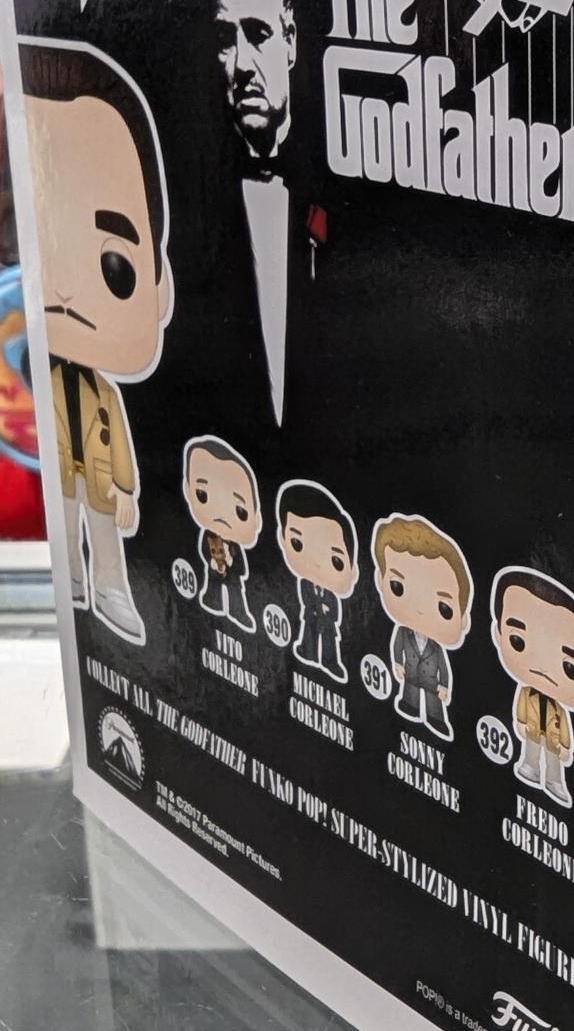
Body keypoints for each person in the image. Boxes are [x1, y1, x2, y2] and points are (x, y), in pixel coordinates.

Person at [20, 37, 173, 648]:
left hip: (104, 479)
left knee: (106, 535)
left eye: (116, 268)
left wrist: (129, 489)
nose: (63, 289)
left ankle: (109, 587)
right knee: (64, 531)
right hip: (60, 473)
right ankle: (76, 584)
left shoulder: (105, 392)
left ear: (159, 286)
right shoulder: (43, 372)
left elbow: (123, 443)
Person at [213, 0, 297, 428]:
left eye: (258, 34)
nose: (243, 63)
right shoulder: (197, 220)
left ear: (290, 40)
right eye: (227, 39)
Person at [490, 567, 574, 811]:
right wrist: (520, 722)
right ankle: (530, 768)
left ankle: (554, 781)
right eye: (518, 641)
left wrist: (566, 746)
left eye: (570, 668)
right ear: (498, 634)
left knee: (553, 760)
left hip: (553, 738)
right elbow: (521, 709)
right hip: (531, 731)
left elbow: (565, 727)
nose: (541, 667)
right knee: (531, 751)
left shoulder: (558, 708)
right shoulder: (526, 693)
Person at [370, 514, 472, 743]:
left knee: (434, 705)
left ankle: (437, 720)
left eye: (444, 609)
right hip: (411, 675)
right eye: (397, 587)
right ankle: (410, 708)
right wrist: (397, 663)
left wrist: (444, 685)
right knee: (410, 695)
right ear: (380, 581)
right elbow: (397, 648)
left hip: (431, 680)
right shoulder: (403, 632)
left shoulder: (436, 647)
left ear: (463, 618)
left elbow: (444, 667)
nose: (419, 610)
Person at [277, 478, 357, 682]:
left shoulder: (330, 592)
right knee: (309, 636)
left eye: (336, 561)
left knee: (329, 641)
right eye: (297, 543)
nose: (316, 564)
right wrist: (315, 607)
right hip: (311, 616)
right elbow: (305, 599)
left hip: (327, 621)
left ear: (353, 569)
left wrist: (326, 610)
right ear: (282, 539)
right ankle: (307, 653)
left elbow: (334, 608)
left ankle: (330, 662)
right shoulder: (305, 583)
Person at [183, 435, 262, 633]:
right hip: (213, 569)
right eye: (202, 495)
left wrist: (232, 562)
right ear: (188, 490)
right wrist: (212, 562)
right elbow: (204, 551)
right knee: (212, 587)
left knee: (236, 593)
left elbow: (241, 565)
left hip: (233, 574)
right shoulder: (208, 536)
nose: (220, 515)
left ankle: (238, 613)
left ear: (257, 519)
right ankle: (212, 602)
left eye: (240, 511)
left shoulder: (234, 546)